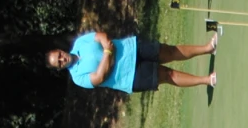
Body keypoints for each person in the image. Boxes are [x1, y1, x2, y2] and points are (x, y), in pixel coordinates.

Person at [50, 28, 216, 95]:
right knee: (167, 75)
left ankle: (208, 47)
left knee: (170, 51)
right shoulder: (78, 77)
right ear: (59, 68)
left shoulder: (79, 44)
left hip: (131, 47)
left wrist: (107, 60)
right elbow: (99, 77)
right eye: (59, 63)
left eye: (59, 56)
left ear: (60, 50)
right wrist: (108, 52)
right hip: (129, 77)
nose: (62, 59)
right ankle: (206, 80)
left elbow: (101, 36)